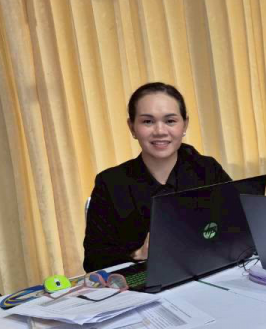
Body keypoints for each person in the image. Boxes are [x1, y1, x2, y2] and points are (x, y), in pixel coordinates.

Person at [82, 82, 231, 272]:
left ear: (185, 124)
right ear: (132, 127)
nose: (160, 131)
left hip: (209, 272)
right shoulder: (110, 183)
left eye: (170, 121)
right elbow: (93, 261)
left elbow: (239, 228)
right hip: (145, 281)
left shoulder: (207, 169)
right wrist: (138, 254)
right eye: (147, 121)